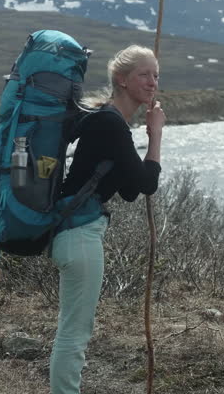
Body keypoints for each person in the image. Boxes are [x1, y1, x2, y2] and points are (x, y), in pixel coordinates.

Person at [49, 44, 166, 394]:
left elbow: (129, 189)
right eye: (144, 74)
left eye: (156, 75)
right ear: (121, 79)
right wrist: (156, 135)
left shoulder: (108, 121)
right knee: (74, 334)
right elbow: (147, 184)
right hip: (80, 236)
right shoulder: (111, 124)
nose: (152, 82)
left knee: (73, 331)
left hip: (75, 234)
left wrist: (143, 142)